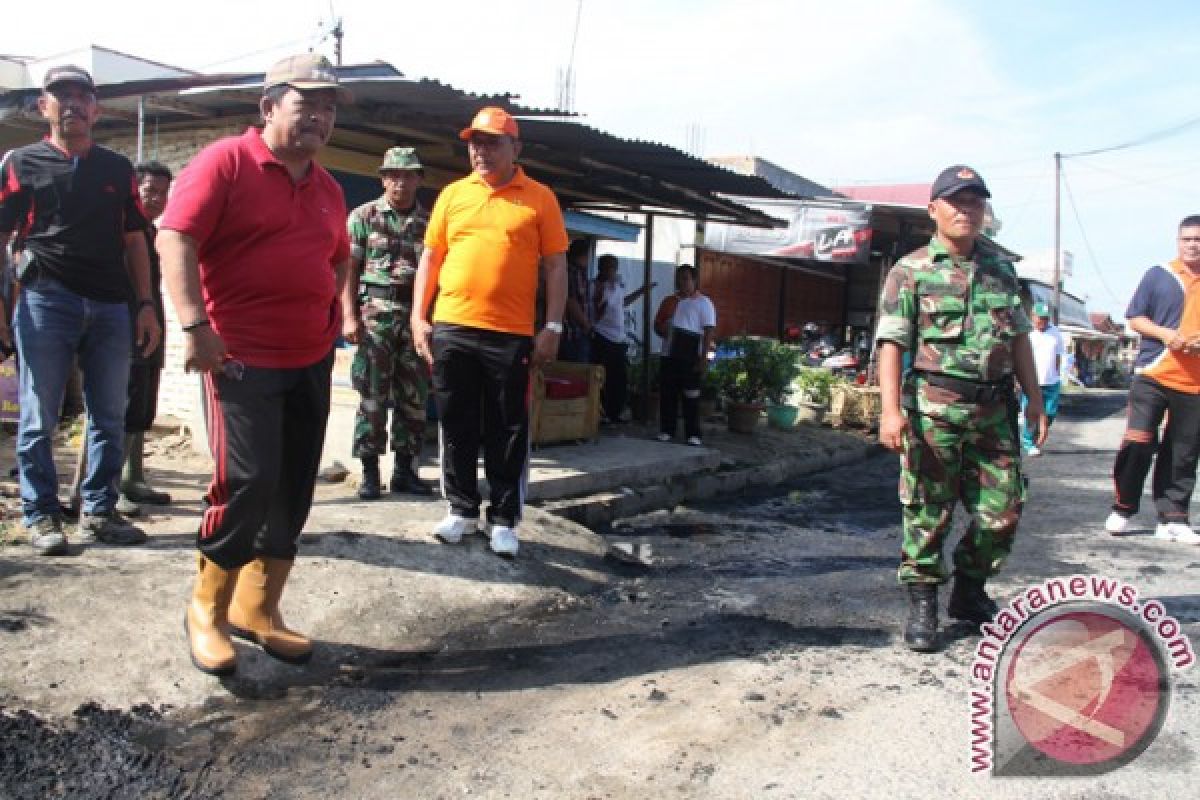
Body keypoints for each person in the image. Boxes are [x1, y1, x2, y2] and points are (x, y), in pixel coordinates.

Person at [157, 53, 352, 676]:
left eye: (328, 109)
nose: (319, 118)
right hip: (239, 357)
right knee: (247, 482)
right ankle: (207, 613)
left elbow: (340, 258)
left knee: (294, 484)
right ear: (268, 107)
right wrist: (194, 326)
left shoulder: (327, 187)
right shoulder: (226, 163)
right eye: (307, 105)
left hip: (309, 357)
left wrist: (332, 317)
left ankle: (258, 610)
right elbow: (175, 238)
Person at [875, 165, 1046, 653]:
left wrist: (1035, 399)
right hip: (933, 408)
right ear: (934, 210)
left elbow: (1017, 339)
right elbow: (891, 342)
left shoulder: (1001, 269)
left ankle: (969, 593)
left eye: (975, 202)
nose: (966, 210)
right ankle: (924, 601)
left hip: (994, 409)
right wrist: (891, 411)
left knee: (1003, 513)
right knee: (928, 510)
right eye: (956, 201)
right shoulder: (910, 271)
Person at [0, 65, 161, 556]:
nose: (72, 104)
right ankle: (42, 514)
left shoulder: (116, 169)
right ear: (44, 106)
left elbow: (135, 239)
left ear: (96, 108)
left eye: (81, 96)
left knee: (109, 415)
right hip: (46, 300)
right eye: (60, 96)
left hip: (112, 305)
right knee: (37, 416)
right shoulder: (20, 163)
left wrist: (147, 304)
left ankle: (98, 512)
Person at [411, 106, 568, 558]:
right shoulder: (452, 195)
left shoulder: (540, 198)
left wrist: (552, 325)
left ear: (515, 148)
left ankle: (503, 518)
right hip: (453, 327)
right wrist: (419, 317)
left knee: (507, 426)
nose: (481, 151)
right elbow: (430, 258)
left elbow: (556, 265)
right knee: (457, 422)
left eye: (492, 142)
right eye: (475, 143)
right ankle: (460, 508)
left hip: (510, 334)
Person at [342, 146, 432, 500]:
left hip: (414, 316)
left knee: (414, 397)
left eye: (408, 174)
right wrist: (348, 315)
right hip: (374, 316)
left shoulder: (430, 223)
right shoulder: (363, 216)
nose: (401, 182)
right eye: (394, 175)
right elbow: (348, 270)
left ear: (419, 179)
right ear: (383, 178)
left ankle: (404, 472)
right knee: (372, 397)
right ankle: (369, 472)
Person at [1104, 216, 1200, 545]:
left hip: (1194, 384)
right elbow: (1134, 318)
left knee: (1184, 452)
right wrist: (1165, 334)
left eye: (1198, 239)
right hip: (1153, 374)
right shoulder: (1160, 274)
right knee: (1139, 441)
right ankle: (1124, 507)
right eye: (1187, 239)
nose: (1193, 245)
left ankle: (1173, 517)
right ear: (1177, 241)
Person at [117, 160, 175, 515]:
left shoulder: (151, 233)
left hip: (150, 325)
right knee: (122, 404)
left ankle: (131, 477)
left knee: (142, 403)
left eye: (163, 193)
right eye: (149, 190)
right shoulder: (120, 232)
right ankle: (107, 486)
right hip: (123, 325)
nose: (156, 199)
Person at [653, 264, 715, 446]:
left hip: (690, 353)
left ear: (695, 280)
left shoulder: (704, 303)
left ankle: (693, 433)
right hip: (669, 353)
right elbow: (657, 324)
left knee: (691, 395)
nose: (682, 282)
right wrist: (661, 329)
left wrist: (703, 359)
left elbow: (709, 331)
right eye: (679, 278)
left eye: (686, 278)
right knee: (668, 394)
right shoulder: (669, 301)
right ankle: (667, 430)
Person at [590, 254, 650, 423]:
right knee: (602, 378)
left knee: (619, 378)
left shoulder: (616, 286)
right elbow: (597, 308)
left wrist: (641, 291)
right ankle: (601, 412)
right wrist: (603, 288)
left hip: (618, 338)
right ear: (601, 269)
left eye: (614, 268)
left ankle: (614, 412)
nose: (613, 271)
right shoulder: (596, 287)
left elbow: (622, 303)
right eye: (609, 268)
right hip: (602, 336)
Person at [1021, 302, 1065, 457]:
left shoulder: (1056, 333)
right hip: (1032, 381)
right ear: (1033, 317)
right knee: (1031, 414)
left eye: (1046, 319)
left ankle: (1036, 437)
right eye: (1040, 318)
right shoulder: (1027, 333)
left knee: (1050, 414)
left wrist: (1057, 374)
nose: (1043, 322)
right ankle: (1028, 443)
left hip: (1051, 381)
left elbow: (1058, 356)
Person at [559, 238, 593, 363]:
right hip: (574, 333)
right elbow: (571, 301)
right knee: (577, 375)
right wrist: (586, 325)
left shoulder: (567, 270)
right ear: (584, 254)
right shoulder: (574, 272)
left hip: (570, 334)